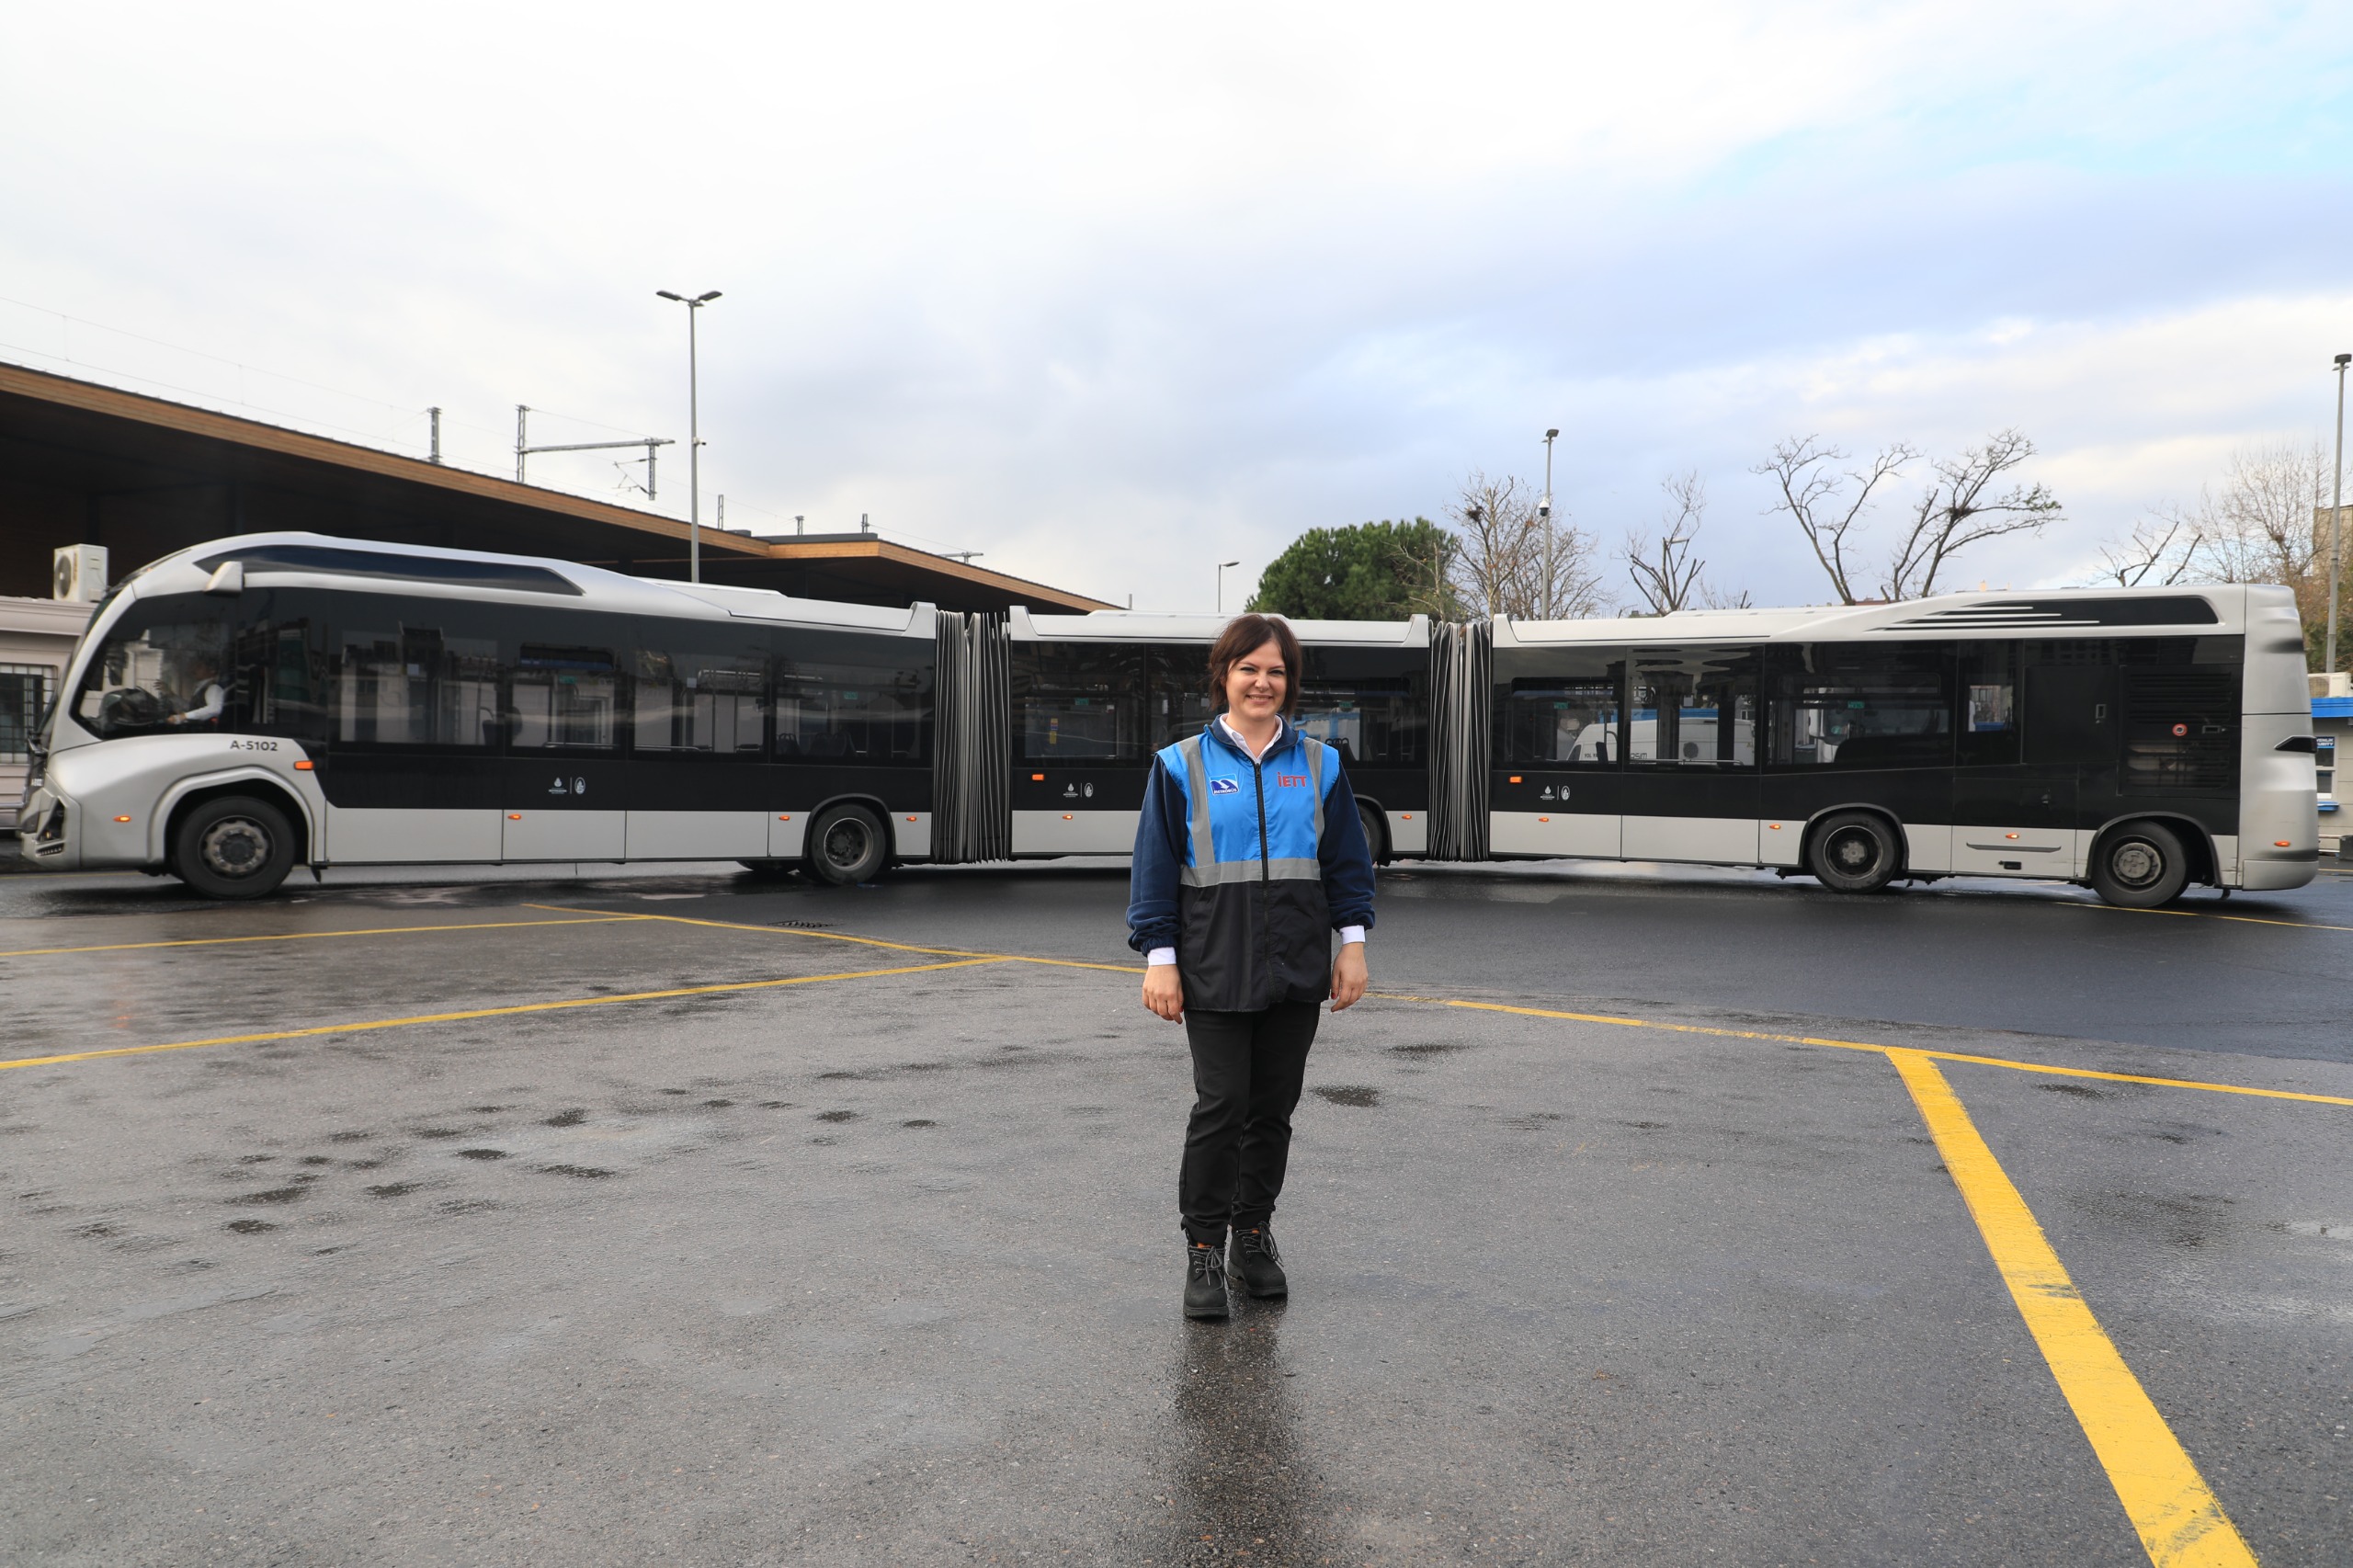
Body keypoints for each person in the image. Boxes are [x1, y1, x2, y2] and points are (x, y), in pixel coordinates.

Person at [1127, 613, 1376, 1321]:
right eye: (1249, 668)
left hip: (1296, 967)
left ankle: (1253, 1236)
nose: (1262, 681)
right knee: (1222, 1106)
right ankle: (1203, 1247)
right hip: (1211, 967)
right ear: (1224, 676)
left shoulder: (1322, 765)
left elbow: (1347, 867)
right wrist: (1160, 960)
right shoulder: (1179, 765)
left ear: (1289, 683)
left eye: (1275, 671)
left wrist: (1351, 944)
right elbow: (1153, 871)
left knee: (1272, 1110)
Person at [165, 653, 226, 728]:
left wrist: (184, 716)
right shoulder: (201, 688)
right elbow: (192, 707)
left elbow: (215, 709)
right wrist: (172, 695)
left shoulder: (214, 688)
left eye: (199, 667)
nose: (194, 669)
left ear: (212, 670)